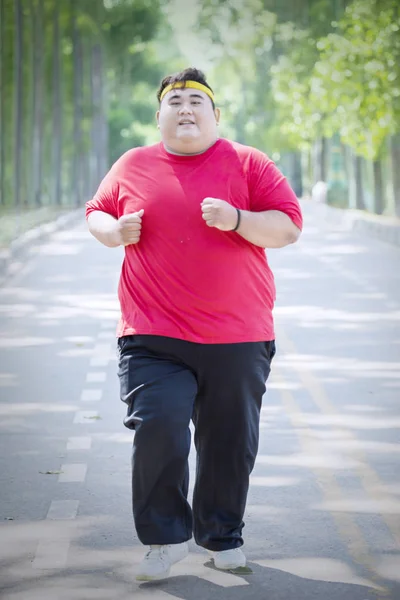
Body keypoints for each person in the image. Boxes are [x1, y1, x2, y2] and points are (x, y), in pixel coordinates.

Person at [85, 67, 302, 582]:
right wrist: (115, 231)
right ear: (158, 115)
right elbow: (95, 212)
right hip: (152, 335)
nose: (185, 109)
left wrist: (239, 220)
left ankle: (221, 535)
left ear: (215, 115)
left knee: (229, 441)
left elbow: (289, 227)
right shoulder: (133, 164)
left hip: (239, 335)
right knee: (158, 426)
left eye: (196, 102)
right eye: (175, 101)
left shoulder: (248, 163)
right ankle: (163, 539)